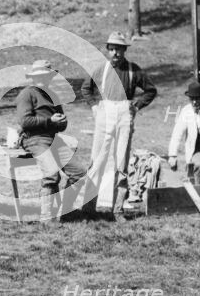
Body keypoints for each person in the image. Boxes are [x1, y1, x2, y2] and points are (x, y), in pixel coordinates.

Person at [81, 31, 157, 213]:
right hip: (105, 113)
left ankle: (117, 209)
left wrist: (136, 106)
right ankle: (88, 207)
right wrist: (94, 106)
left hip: (124, 113)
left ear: (124, 51)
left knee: (121, 162)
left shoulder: (133, 70)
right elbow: (86, 88)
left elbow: (150, 90)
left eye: (119, 50)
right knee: (97, 160)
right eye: (112, 49)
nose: (115, 53)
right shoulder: (102, 69)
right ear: (108, 50)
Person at [16, 60, 87, 222]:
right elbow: (25, 122)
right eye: (39, 77)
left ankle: (65, 212)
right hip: (33, 139)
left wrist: (61, 121)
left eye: (46, 76)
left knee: (79, 173)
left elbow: (60, 124)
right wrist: (50, 120)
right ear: (33, 78)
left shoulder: (53, 95)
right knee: (51, 174)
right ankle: (46, 218)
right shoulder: (27, 94)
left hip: (54, 138)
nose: (43, 80)